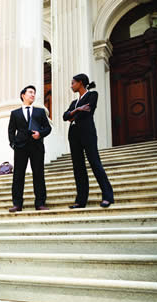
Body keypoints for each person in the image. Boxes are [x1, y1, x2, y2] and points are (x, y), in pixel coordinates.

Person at [63, 73, 114, 209]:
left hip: (87, 133)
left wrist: (73, 114)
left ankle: (108, 196)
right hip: (73, 135)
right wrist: (77, 109)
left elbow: (88, 111)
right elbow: (65, 116)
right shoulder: (74, 103)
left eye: (73, 82)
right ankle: (81, 200)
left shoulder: (92, 95)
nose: (71, 85)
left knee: (95, 162)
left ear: (80, 83)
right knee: (78, 167)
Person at [7, 85, 52, 212]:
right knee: (18, 175)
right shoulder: (15, 113)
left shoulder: (40, 112)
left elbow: (48, 128)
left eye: (34, 93)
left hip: (37, 147)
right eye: (30, 92)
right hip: (20, 147)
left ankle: (40, 203)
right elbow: (11, 130)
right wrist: (13, 144)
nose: (33, 95)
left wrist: (40, 134)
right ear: (23, 95)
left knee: (39, 174)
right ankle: (17, 204)